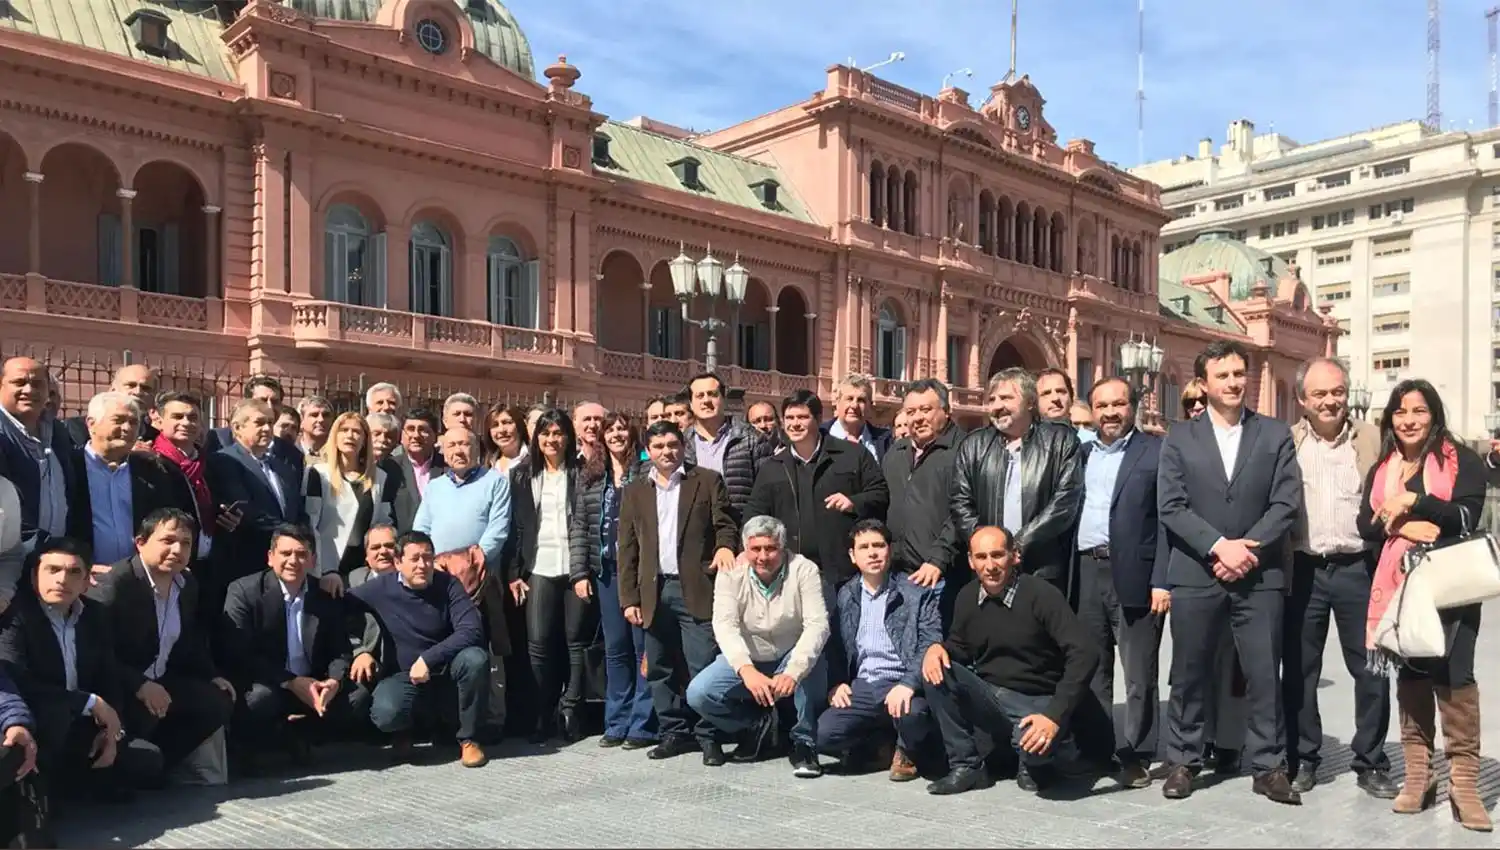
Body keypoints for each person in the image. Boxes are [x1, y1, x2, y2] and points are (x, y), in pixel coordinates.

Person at [1155, 340, 1302, 805]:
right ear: (1203, 383)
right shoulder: (1179, 436)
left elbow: (1286, 501)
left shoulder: (1275, 434)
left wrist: (1248, 547)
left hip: (1260, 577)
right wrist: (1219, 546)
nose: (1234, 383)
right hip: (1198, 573)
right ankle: (1183, 760)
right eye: (1223, 376)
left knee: (1263, 673)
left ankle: (1269, 766)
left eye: (1240, 373)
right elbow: (1171, 506)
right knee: (1189, 672)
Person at [1357, 380, 1490, 831]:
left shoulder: (1460, 460)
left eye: (1418, 410)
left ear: (1434, 413)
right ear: (1390, 419)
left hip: (1451, 588)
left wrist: (1418, 502)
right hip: (1401, 588)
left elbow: (1470, 516)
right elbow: (1365, 525)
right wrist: (1405, 529)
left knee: (1455, 677)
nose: (1409, 419)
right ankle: (1418, 776)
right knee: (1412, 677)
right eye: (1399, 411)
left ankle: (1465, 784)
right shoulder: (1382, 468)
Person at [1282, 358, 1395, 798]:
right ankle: (1304, 758)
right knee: (1300, 671)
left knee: (1371, 669)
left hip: (1359, 569)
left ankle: (1370, 761)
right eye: (1320, 394)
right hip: (1305, 569)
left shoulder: (1373, 438)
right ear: (1302, 400)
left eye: (1338, 391)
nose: (1331, 401)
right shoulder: (1286, 442)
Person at [922, 526, 1102, 796]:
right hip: (993, 698)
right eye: (981, 557)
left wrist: (1054, 715)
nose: (990, 565)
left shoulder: (1041, 595)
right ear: (971, 562)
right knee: (936, 667)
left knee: (1036, 756)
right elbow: (958, 648)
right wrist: (937, 648)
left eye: (998, 555)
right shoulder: (967, 597)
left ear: (1015, 555)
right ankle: (966, 767)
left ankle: (1032, 762)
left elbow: (1085, 653)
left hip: (1038, 700)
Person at [0, 539, 162, 803]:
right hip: (39, 720)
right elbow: (19, 681)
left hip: (83, 724)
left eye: (74, 572)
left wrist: (111, 732)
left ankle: (74, 783)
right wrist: (90, 702)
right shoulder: (16, 616)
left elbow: (108, 676)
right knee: (56, 714)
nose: (62, 579)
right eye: (52, 570)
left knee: (149, 761)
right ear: (33, 576)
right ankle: (50, 788)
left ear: (87, 580)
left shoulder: (94, 615)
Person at [617, 421, 738, 764]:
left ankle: (708, 735)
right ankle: (674, 732)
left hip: (695, 588)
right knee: (659, 667)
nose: (666, 452)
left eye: (672, 444)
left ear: (682, 446)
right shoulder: (635, 491)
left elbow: (725, 523)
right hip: (653, 590)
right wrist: (629, 598)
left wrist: (726, 546)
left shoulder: (707, 480)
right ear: (648, 451)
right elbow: (627, 549)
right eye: (658, 447)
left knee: (701, 665)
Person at [87, 509, 234, 775]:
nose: (177, 549)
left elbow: (189, 639)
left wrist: (211, 675)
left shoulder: (187, 583)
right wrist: (140, 685)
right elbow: (97, 653)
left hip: (162, 682)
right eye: (167, 541)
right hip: (121, 690)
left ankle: (162, 765)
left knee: (217, 701)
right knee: (145, 730)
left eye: (186, 543)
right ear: (140, 542)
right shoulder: (115, 585)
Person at [1073, 378, 1166, 787]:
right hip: (1085, 571)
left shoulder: (1156, 452)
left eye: (1118, 404)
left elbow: (1168, 522)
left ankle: (1138, 753)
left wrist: (1162, 581)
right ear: (1092, 410)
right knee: (1093, 668)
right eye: (1102, 405)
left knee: (1139, 671)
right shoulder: (1079, 454)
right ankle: (1098, 750)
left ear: (1133, 407)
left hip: (1136, 574)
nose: (1110, 412)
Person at [687, 516, 830, 777]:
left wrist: (793, 671)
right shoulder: (731, 573)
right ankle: (757, 725)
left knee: (813, 664)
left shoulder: (804, 569)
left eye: (771, 548)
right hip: (750, 656)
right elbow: (724, 625)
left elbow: (817, 625)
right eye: (755, 549)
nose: (763, 556)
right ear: (745, 549)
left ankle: (804, 743)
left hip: (790, 652)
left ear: (783, 548)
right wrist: (745, 669)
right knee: (699, 693)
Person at [222, 525, 361, 770]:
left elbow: (340, 649)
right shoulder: (243, 591)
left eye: (301, 554)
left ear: (312, 560)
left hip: (313, 684)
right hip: (270, 682)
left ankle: (301, 733)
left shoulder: (323, 595)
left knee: (357, 698)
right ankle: (262, 743)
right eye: (285, 553)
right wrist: (290, 682)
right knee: (258, 700)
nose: (293, 561)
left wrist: (334, 682)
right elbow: (240, 652)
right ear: (270, 557)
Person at [349, 530, 491, 768]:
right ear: (397, 562)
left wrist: (428, 659)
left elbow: (471, 629)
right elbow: (337, 608)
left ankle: (469, 740)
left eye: (427, 558)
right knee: (386, 714)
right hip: (404, 675)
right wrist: (360, 650)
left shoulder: (448, 585)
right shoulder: (379, 588)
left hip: (447, 670)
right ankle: (405, 731)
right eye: (414, 559)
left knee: (475, 659)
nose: (422, 565)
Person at [816, 520, 940, 781]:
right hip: (865, 685)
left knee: (914, 715)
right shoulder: (845, 594)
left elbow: (930, 642)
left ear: (889, 550)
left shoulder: (915, 591)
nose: (872, 553)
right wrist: (837, 683)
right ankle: (882, 744)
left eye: (878, 545)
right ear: (852, 555)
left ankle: (907, 750)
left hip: (902, 684)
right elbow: (836, 645)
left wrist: (908, 683)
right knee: (824, 735)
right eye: (864, 547)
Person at [951, 367, 1082, 597]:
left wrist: (1019, 544)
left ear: (1030, 402)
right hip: (989, 573)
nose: (997, 405)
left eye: (1006, 398)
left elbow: (1065, 502)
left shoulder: (1061, 441)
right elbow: (960, 502)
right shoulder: (974, 445)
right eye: (992, 399)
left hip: (1042, 569)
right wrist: (990, 549)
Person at [505, 410, 593, 743]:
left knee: (575, 641)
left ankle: (570, 710)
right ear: (536, 438)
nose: (551, 440)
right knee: (538, 642)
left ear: (568, 437)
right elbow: (515, 527)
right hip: (539, 565)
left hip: (576, 567)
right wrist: (515, 573)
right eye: (545, 433)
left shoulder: (583, 472)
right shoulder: (522, 475)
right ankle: (541, 712)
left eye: (558, 433)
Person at [745, 390, 888, 588]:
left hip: (843, 574)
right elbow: (754, 515)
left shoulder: (853, 455)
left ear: (819, 418)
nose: (795, 424)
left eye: (803, 417)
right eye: (789, 418)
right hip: (790, 575)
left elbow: (881, 493)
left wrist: (854, 502)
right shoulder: (772, 467)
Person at [574, 412, 656, 749]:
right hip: (605, 570)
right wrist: (579, 572)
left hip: (638, 571)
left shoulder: (646, 470)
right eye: (610, 429)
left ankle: (643, 723)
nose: (616, 434)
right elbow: (580, 524)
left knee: (643, 647)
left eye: (622, 428)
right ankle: (616, 720)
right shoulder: (592, 475)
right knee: (615, 648)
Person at [66, 391, 195, 576]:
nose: (127, 428)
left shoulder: (152, 471)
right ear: (91, 424)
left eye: (133, 422)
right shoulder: (69, 466)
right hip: (83, 579)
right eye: (118, 420)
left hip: (137, 581)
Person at [204, 399, 305, 590]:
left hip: (284, 566)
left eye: (269, 422)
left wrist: (304, 535)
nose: (267, 428)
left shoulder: (282, 466)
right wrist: (291, 532)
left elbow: (297, 508)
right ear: (238, 427)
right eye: (259, 423)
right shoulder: (224, 461)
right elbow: (245, 510)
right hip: (245, 564)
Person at [882, 380, 963, 595]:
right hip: (896, 573)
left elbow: (965, 512)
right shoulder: (895, 453)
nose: (918, 418)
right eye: (910, 412)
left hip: (941, 574)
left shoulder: (964, 451)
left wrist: (938, 559)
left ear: (946, 411)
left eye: (926, 410)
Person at [304, 412, 394, 597]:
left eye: (356, 432)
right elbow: (310, 525)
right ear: (335, 435)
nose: (350, 436)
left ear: (365, 440)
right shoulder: (318, 475)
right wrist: (326, 569)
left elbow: (384, 523)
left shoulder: (380, 478)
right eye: (344, 430)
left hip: (364, 570)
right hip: (327, 570)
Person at [0, 356, 74, 554]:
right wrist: (47, 547)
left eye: (37, 384)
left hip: (52, 560)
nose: (29, 390)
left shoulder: (57, 431)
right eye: (19, 382)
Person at [681, 373, 768, 524]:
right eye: (699, 396)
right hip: (697, 532)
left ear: (723, 398)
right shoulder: (681, 444)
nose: (706, 400)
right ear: (691, 403)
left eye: (712, 394)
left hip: (741, 529)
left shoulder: (752, 439)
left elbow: (766, 492)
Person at [63, 364, 158, 449]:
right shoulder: (77, 428)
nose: (138, 392)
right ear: (112, 390)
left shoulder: (156, 437)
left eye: (146, 388)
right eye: (130, 385)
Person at [389, 408, 444, 531]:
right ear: (401, 436)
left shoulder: (448, 468)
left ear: (435, 436)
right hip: (402, 544)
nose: (416, 435)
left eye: (423, 430)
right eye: (410, 429)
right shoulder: (390, 468)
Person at [823, 375, 892, 463]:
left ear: (869, 406)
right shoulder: (819, 436)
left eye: (861, 400)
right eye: (849, 399)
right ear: (837, 402)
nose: (854, 405)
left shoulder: (886, 441)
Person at [481, 404, 530, 474]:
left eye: (507, 422)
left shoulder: (534, 460)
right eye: (495, 425)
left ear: (519, 425)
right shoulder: (488, 465)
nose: (501, 430)